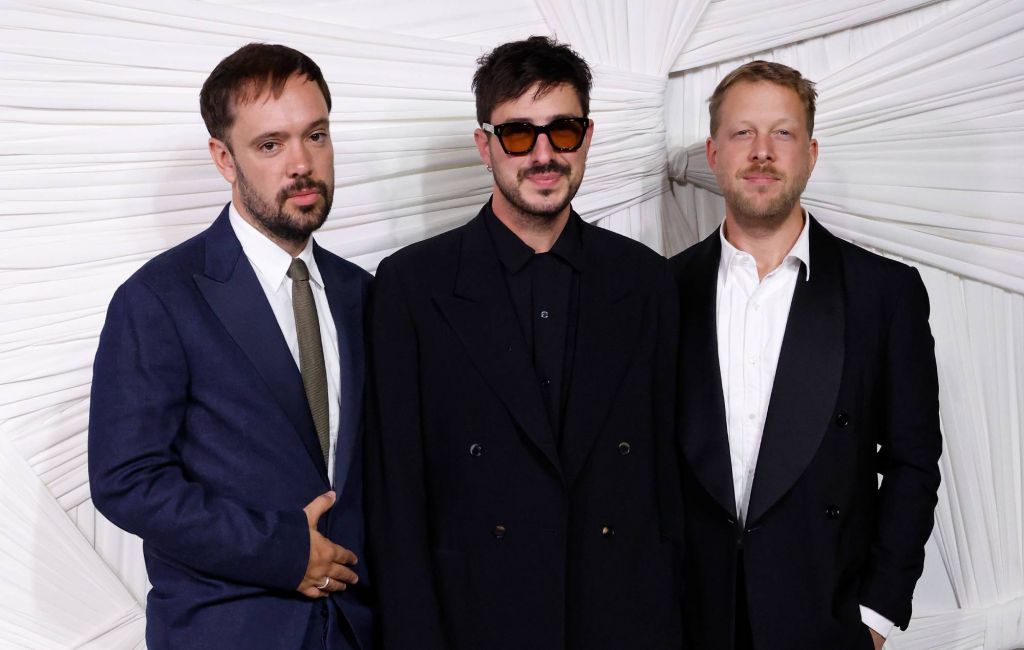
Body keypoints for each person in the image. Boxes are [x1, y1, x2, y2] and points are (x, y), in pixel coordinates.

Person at [366, 36, 683, 650]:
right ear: (484, 146)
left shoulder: (647, 281)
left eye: (561, 131)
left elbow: (668, 480)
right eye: (518, 135)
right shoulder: (412, 286)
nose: (543, 154)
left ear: (587, 137)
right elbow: (396, 497)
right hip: (474, 619)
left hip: (623, 616)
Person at [88, 43, 374, 650]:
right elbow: (126, 479)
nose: (302, 164)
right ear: (224, 157)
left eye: (316, 136)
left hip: (360, 630)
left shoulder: (364, 296)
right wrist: (282, 551)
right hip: (229, 630)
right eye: (270, 144)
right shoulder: (159, 299)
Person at [670, 60, 942, 650]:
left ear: (811, 153)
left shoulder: (883, 294)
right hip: (688, 617)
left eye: (783, 133)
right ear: (713, 153)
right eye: (743, 133)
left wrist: (878, 613)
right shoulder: (661, 292)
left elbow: (913, 463)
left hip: (826, 616)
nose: (762, 152)